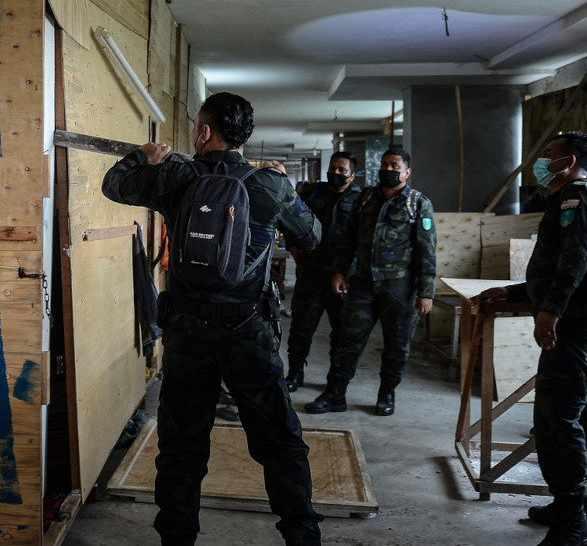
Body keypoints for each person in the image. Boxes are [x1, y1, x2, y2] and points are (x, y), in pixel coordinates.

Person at [102, 92, 323, 546]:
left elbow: (113, 185)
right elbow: (313, 236)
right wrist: (284, 188)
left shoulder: (175, 176)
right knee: (280, 442)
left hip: (187, 334)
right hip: (250, 332)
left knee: (181, 447)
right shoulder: (269, 186)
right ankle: (302, 537)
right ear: (246, 137)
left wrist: (142, 156)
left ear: (203, 132)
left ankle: (177, 540)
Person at [473, 131, 587, 546]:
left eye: (548, 156)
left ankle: (574, 523)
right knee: (577, 413)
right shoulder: (576, 196)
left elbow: (577, 258)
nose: (541, 162)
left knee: (558, 419)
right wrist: (516, 292)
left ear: (568, 160)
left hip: (576, 324)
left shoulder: (578, 197)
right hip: (579, 319)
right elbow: (560, 266)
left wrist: (550, 310)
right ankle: (579, 507)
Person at [306, 148, 436, 416]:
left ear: (407, 172)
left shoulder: (418, 203)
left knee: (397, 344)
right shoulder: (365, 199)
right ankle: (335, 394)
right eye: (385, 164)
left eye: (395, 166)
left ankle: (387, 394)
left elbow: (427, 250)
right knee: (347, 340)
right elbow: (349, 238)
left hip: (400, 287)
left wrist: (426, 292)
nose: (388, 169)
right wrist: (340, 271)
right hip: (363, 284)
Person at [284, 151, 362, 392]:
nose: (335, 174)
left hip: (343, 277)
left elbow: (363, 238)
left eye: (342, 170)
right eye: (333, 169)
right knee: (301, 328)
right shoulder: (312, 192)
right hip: (311, 273)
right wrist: (296, 254)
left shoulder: (361, 200)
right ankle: (295, 374)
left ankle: (334, 379)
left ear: (352, 175)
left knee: (341, 331)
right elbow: (291, 222)